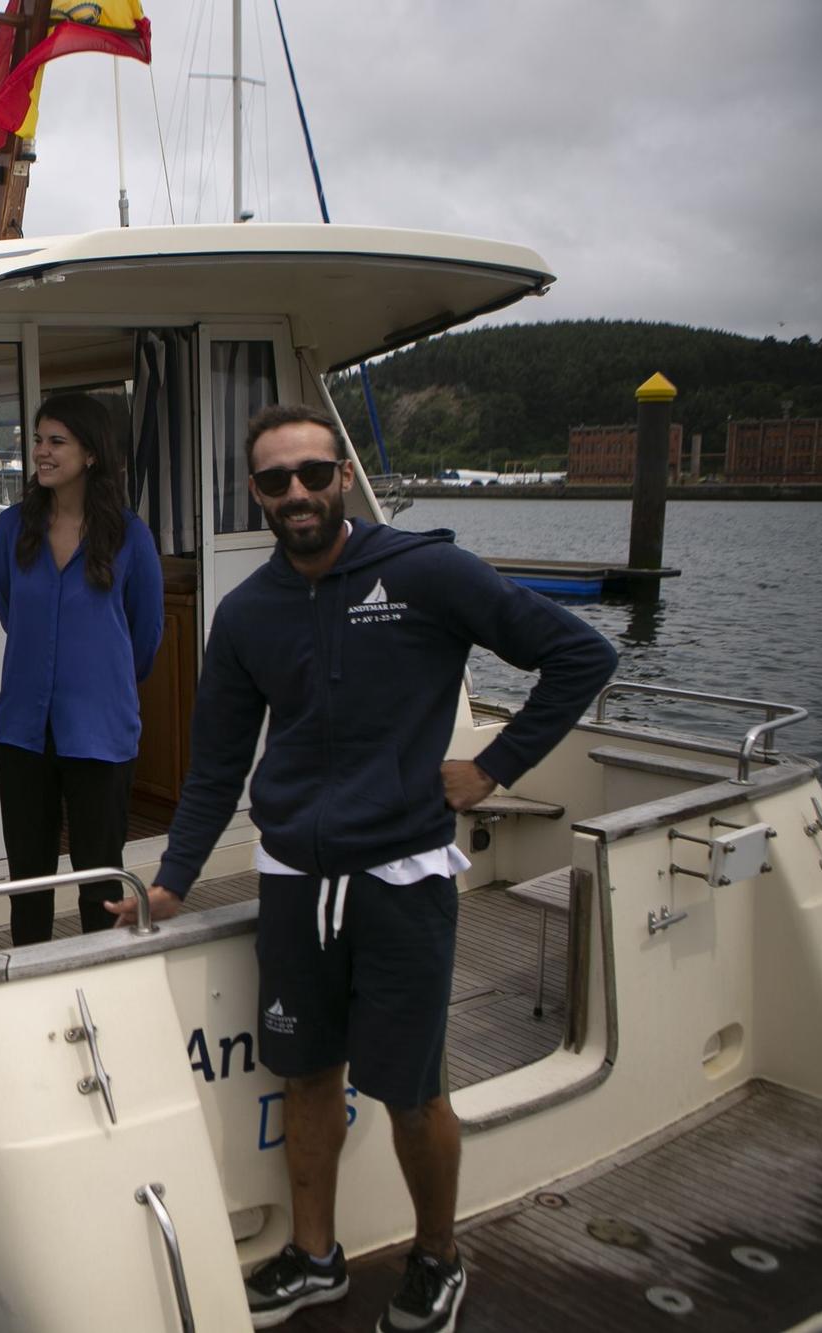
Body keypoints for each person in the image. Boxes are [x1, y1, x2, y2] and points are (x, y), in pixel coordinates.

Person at [107, 403, 616, 1332]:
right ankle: (314, 1256)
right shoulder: (247, 611)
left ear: (342, 475)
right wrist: (172, 879)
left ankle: (437, 1257)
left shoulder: (427, 572)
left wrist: (495, 766)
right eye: (274, 480)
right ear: (255, 494)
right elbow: (217, 763)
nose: (296, 493)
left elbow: (580, 653)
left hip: (405, 878)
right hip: (296, 877)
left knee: (414, 1091)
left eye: (312, 473)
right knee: (303, 1074)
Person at [0, 394, 164, 946]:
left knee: (100, 879)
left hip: (102, 732)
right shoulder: (11, 528)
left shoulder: (131, 535)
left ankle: (105, 976)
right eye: (37, 439)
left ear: (91, 453)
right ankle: (30, 989)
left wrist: (97, 681)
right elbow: (8, 610)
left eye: (55, 441)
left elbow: (145, 635)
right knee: (29, 878)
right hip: (22, 728)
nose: (40, 452)